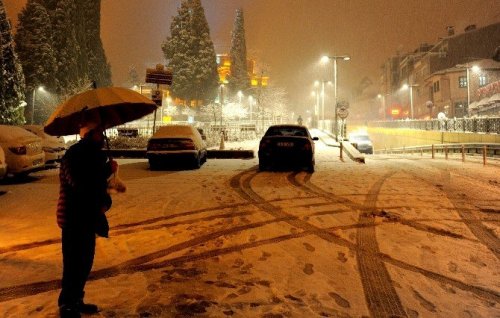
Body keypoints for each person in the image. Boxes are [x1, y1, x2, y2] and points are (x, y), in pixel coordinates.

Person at [56, 120, 117, 318]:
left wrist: (108, 170)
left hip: (86, 216)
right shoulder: (75, 155)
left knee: (85, 261)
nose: (103, 136)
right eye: (100, 132)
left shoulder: (91, 156)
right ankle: (67, 304)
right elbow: (81, 185)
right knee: (74, 262)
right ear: (90, 134)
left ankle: (76, 299)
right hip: (74, 216)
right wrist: (102, 196)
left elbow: (94, 181)